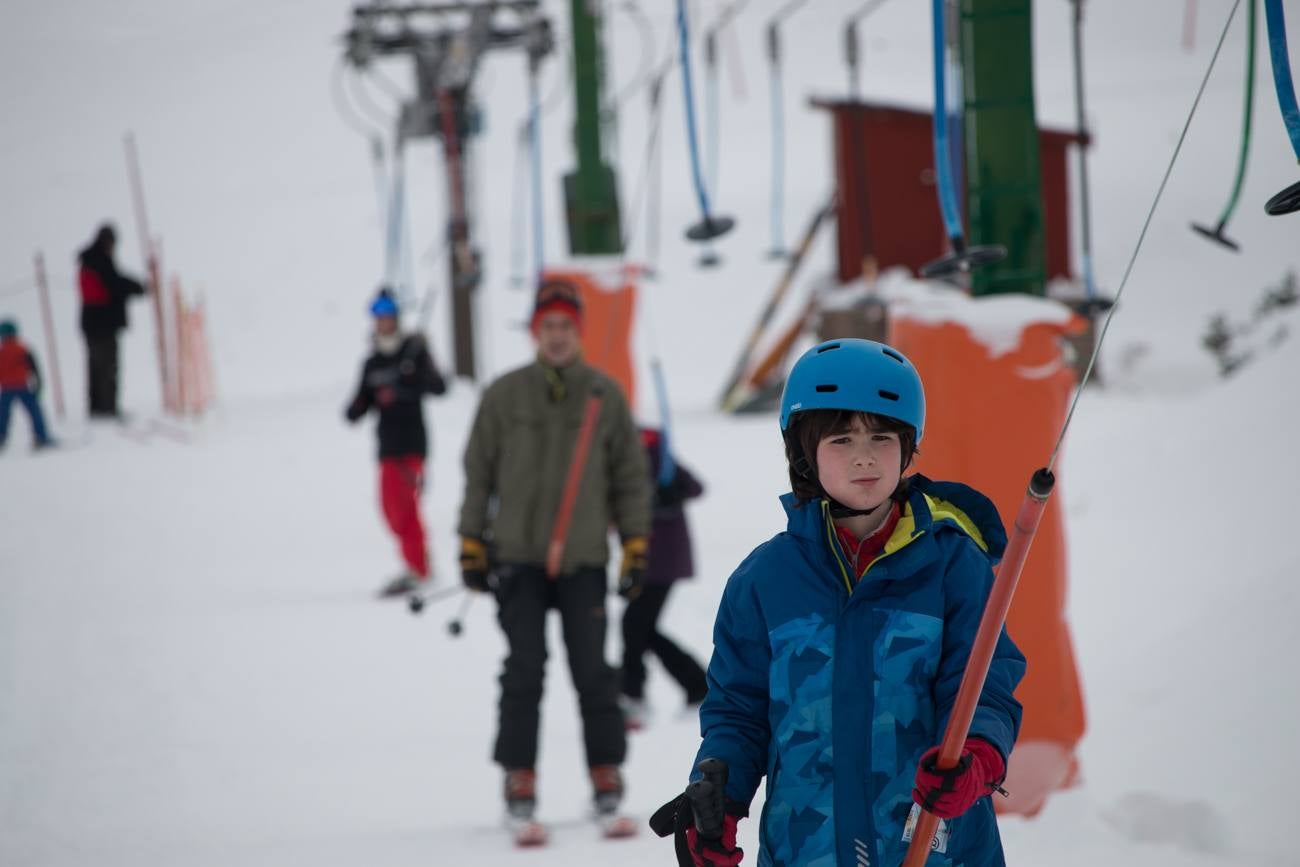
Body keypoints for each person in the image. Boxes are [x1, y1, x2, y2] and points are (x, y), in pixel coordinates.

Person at [651, 338, 1025, 867]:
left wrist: (977, 759)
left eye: (881, 436)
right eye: (841, 439)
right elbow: (738, 712)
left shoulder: (952, 568)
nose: (865, 456)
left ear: (908, 445)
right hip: (806, 851)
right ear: (805, 453)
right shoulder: (766, 580)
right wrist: (720, 801)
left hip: (935, 851)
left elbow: (982, 685)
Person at [458, 280, 651, 829]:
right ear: (535, 332)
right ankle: (519, 775)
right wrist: (472, 541)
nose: (558, 335)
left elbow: (630, 479)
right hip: (516, 558)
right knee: (524, 669)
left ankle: (606, 771)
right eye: (549, 326)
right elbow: (479, 474)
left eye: (566, 325)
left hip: (583, 558)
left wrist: (634, 543)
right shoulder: (504, 395)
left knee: (593, 670)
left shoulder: (604, 395)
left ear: (578, 331)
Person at [344, 288, 447, 598]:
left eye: (389, 316)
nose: (384, 323)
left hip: (412, 445)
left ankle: (418, 568)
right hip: (387, 447)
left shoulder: (413, 352)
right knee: (390, 511)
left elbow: (439, 386)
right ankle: (418, 559)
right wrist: (372, 397)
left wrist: (411, 377)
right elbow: (357, 407)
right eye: (379, 317)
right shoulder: (372, 362)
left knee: (407, 508)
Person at [619, 427, 708, 730]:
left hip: (663, 557)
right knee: (640, 628)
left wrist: (670, 495)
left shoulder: (653, 453)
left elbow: (695, 487)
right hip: (643, 558)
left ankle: (634, 696)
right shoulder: (621, 454)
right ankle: (696, 686)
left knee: (635, 627)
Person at [77, 223, 147, 419]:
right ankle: (107, 408)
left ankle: (96, 406)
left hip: (91, 322)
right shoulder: (100, 261)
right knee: (107, 367)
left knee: (95, 366)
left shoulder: (89, 260)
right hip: (103, 324)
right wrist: (138, 288)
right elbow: (115, 284)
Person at [0, 319, 55, 451]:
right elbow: (34, 367)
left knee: (3, 414)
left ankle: (1, 436)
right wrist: (38, 383)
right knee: (35, 411)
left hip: (7, 388)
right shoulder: (22, 349)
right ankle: (41, 436)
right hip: (22, 386)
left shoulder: (2, 352)